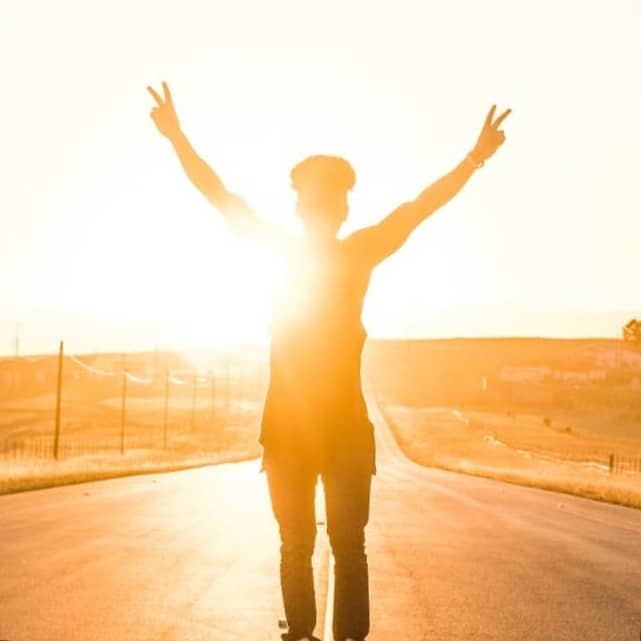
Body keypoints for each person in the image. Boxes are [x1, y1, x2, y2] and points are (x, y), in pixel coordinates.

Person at [147, 81, 510, 641]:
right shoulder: (357, 252)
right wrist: (475, 158)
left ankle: (301, 632)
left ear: (299, 206)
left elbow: (217, 194)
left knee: (300, 545)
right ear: (341, 207)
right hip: (334, 432)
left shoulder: (280, 250)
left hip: (295, 432)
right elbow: (419, 209)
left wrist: (177, 137)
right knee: (347, 548)